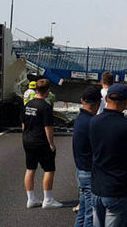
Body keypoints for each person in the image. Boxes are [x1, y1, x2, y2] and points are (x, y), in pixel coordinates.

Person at [89, 84, 127, 227]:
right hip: (118, 188)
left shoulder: (93, 122)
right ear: (125, 102)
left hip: (97, 187)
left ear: (107, 98)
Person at [21, 79, 63, 209]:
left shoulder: (28, 105)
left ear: (36, 90)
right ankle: (48, 199)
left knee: (30, 169)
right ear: (47, 91)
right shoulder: (45, 106)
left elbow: (23, 125)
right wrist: (51, 144)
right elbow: (48, 127)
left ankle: (31, 199)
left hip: (27, 140)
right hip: (41, 141)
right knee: (49, 170)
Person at [73, 86, 102, 227]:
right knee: (91, 216)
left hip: (81, 170)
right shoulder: (93, 123)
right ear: (98, 103)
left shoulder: (80, 119)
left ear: (82, 100)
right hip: (90, 171)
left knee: (83, 213)